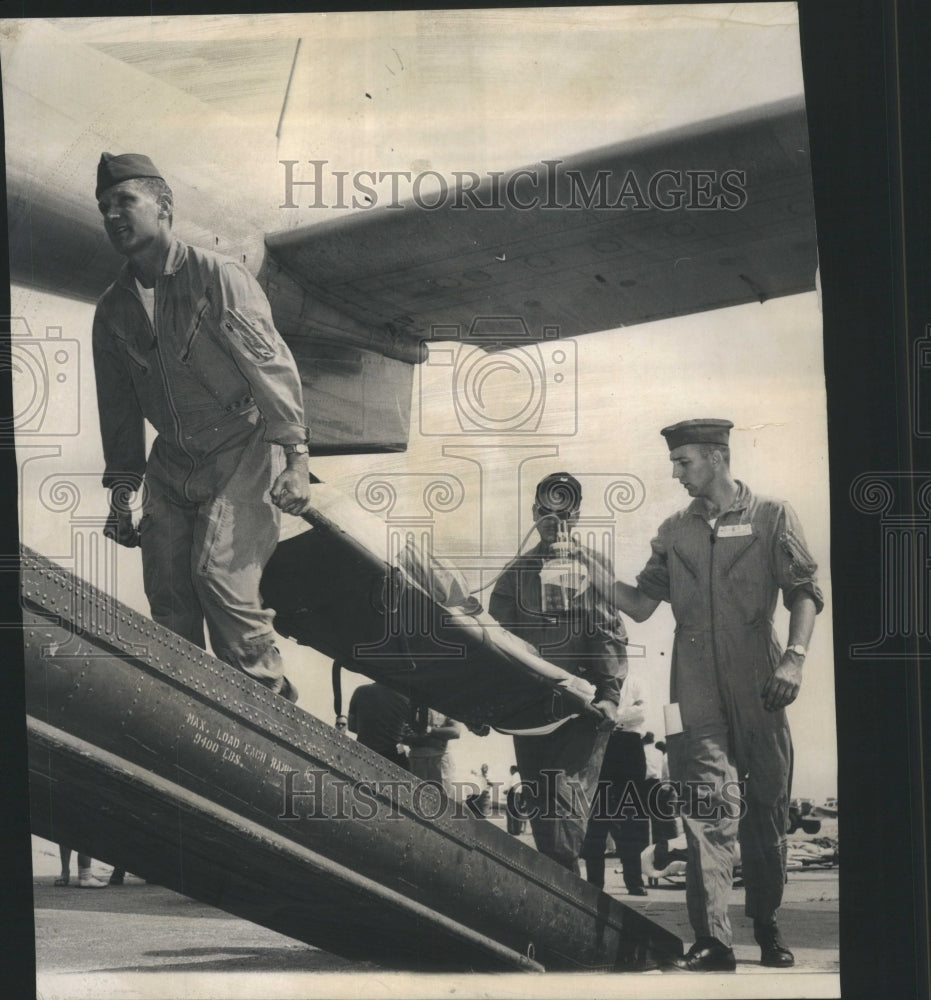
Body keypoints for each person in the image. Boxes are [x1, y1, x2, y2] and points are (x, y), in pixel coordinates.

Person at [583, 419, 822, 971]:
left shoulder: (772, 515)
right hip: (691, 678)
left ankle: (766, 924)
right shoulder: (672, 530)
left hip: (759, 673)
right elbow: (642, 604)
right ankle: (713, 939)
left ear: (716, 457)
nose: (675, 473)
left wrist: (794, 658)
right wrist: (591, 570)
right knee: (703, 808)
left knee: (764, 808)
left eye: (683, 462)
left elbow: (804, 591)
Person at [92, 153, 311, 700]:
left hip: (240, 446)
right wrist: (122, 496)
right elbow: (117, 411)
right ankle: (193, 716)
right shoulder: (111, 310)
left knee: (220, 582)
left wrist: (297, 458)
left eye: (125, 201)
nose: (113, 214)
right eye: (104, 207)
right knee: (168, 595)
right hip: (171, 462)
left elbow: (270, 365)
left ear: (164, 208)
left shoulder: (217, 277)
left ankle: (270, 701)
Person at [489, 472, 625, 872]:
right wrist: (487, 704)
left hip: (583, 708)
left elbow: (608, 632)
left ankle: (568, 899)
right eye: (545, 513)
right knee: (542, 808)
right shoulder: (516, 573)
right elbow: (496, 640)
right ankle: (566, 901)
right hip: (530, 709)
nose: (553, 522)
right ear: (533, 513)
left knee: (565, 803)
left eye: (562, 514)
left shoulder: (594, 567)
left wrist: (610, 695)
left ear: (577, 516)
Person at [580, 666, 650, 895]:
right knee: (597, 816)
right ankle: (594, 882)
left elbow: (642, 714)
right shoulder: (591, 677)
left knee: (631, 816)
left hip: (629, 747)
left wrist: (613, 716)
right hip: (600, 746)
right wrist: (626, 713)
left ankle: (634, 880)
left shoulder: (636, 679)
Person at [347, 682, 411, 770]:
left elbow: (351, 726)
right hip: (393, 757)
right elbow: (411, 732)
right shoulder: (406, 698)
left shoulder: (360, 691)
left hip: (363, 753)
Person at [404, 705, 461, 795]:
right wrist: (434, 739)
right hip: (417, 759)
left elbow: (456, 731)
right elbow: (401, 735)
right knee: (417, 798)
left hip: (440, 759)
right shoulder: (410, 706)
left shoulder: (446, 705)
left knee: (445, 798)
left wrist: (431, 731)